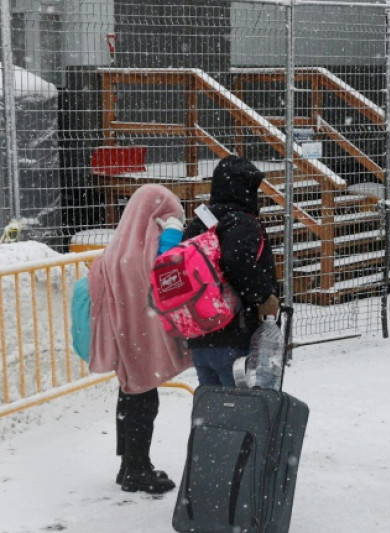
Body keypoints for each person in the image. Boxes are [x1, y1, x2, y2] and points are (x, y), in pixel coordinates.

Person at [86, 184, 190, 494]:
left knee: (130, 395)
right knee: (145, 399)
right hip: (144, 338)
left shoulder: (117, 250)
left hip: (124, 337)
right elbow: (168, 272)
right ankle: (137, 468)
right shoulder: (148, 252)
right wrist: (173, 235)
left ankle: (127, 464)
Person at [183, 155, 279, 386]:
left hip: (201, 337)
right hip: (235, 335)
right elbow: (236, 260)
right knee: (242, 413)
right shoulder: (242, 222)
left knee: (213, 415)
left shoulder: (198, 224)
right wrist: (265, 295)